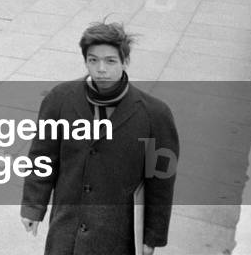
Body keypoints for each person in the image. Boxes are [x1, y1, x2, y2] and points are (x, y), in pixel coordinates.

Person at [20, 22, 179, 255]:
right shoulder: (60, 99)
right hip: (67, 229)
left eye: (110, 61)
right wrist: (33, 206)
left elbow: (161, 181)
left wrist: (152, 236)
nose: (101, 69)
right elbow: (42, 156)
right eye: (93, 60)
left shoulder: (155, 115)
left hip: (117, 235)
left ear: (125, 62)